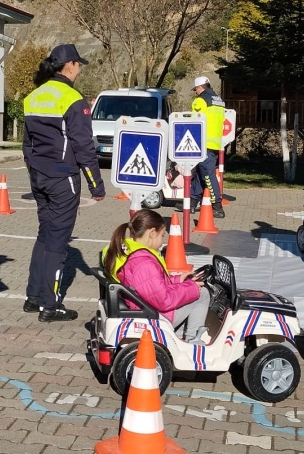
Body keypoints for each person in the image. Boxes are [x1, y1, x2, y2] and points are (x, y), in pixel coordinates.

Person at [22, 44, 106, 322]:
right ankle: (50, 305)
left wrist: (34, 172)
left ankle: (33, 297)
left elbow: (27, 145)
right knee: (58, 242)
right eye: (79, 65)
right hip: (63, 179)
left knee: (44, 235)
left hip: (40, 177)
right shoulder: (73, 99)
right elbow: (83, 146)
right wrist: (96, 184)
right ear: (68, 65)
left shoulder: (33, 97)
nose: (80, 70)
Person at [101, 210, 211, 343]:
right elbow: (164, 301)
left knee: (191, 291)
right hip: (154, 314)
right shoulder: (143, 263)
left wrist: (178, 280)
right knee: (202, 293)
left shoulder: (127, 251)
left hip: (142, 305)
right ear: (152, 233)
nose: (161, 242)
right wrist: (191, 288)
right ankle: (192, 340)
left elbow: (151, 286)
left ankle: (181, 335)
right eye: (162, 236)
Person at [189, 76, 225, 217]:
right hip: (215, 143)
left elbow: (194, 123)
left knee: (208, 176)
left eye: (195, 89)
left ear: (200, 87)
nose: (195, 92)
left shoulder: (200, 101)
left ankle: (217, 207)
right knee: (200, 172)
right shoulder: (219, 101)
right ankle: (192, 201)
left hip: (203, 143)